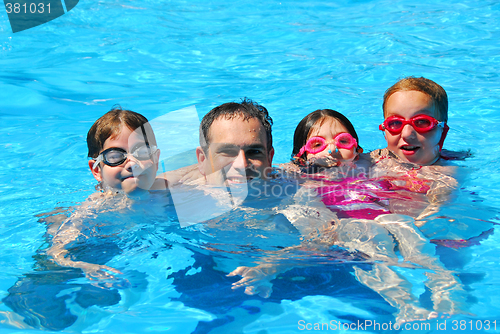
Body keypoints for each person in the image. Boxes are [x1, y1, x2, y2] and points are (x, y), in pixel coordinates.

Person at [230, 109, 467, 323]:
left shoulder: (370, 163)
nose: (332, 149)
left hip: (389, 225)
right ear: (301, 157)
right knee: (365, 230)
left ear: (357, 148)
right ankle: (406, 305)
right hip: (350, 234)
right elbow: (270, 170)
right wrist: (309, 165)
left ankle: (444, 285)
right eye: (317, 145)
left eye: (343, 141)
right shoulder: (302, 176)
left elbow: (427, 164)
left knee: (398, 222)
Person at [161, 98, 274, 186]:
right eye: (228, 151)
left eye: (254, 152)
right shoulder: (169, 198)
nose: (242, 165)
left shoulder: (288, 191)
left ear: (270, 158)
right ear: (202, 159)